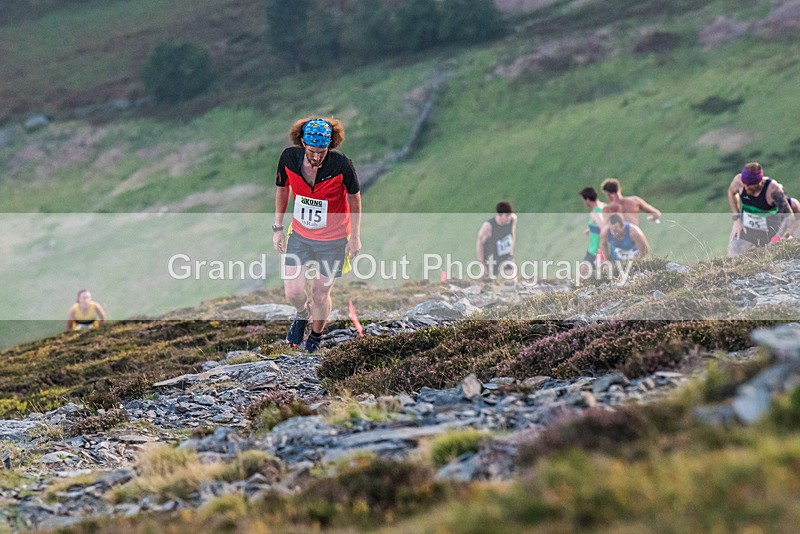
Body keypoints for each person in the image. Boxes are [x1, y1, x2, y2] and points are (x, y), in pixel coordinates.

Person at [272, 117, 362, 352]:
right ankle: (302, 314)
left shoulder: (341, 164)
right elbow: (282, 190)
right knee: (293, 291)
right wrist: (278, 228)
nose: (317, 157)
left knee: (320, 294)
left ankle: (315, 337)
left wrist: (355, 237)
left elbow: (354, 198)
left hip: (333, 239)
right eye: (312, 151)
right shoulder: (289, 158)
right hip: (300, 235)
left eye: (322, 151)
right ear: (302, 143)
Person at [727, 161, 793, 257]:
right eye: (744, 183)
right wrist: (737, 220)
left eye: (749, 185)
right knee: (733, 251)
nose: (745, 187)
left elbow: (788, 216)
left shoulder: (773, 189)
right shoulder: (739, 181)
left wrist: (777, 238)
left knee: (781, 256)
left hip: (771, 230)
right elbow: (731, 193)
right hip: (748, 228)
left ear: (760, 182)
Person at [475, 201, 517, 281]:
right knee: (488, 285)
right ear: (500, 215)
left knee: (512, 282)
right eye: (507, 215)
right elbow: (480, 243)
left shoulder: (513, 219)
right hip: (491, 259)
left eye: (510, 214)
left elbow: (513, 234)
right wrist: (481, 263)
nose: (509, 217)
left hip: (505, 257)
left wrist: (511, 254)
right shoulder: (488, 227)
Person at [579, 187, 606, 271]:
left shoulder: (595, 213)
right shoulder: (605, 206)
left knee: (583, 273)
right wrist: (590, 230)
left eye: (583, 200)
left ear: (587, 199)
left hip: (596, 250)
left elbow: (604, 228)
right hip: (597, 248)